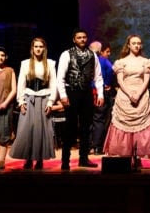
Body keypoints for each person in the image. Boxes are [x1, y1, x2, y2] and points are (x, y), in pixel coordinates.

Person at [103, 35, 150, 169]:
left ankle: (138, 157)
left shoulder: (146, 62)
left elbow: (146, 80)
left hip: (141, 95)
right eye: (134, 43)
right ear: (128, 45)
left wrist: (138, 94)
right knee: (124, 126)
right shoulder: (121, 62)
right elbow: (120, 80)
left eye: (139, 43)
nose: (136, 45)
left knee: (141, 127)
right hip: (125, 96)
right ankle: (127, 157)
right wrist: (129, 94)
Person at [55, 29, 103, 171]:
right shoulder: (66, 54)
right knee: (69, 127)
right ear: (74, 39)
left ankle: (83, 158)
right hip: (72, 92)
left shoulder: (92, 54)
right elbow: (60, 77)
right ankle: (65, 160)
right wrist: (63, 95)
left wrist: (100, 94)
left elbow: (98, 76)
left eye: (84, 37)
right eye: (79, 37)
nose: (82, 39)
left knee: (86, 127)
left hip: (87, 92)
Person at [12, 38, 60, 170]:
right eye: (36, 46)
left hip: (44, 99)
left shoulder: (50, 64)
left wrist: (50, 102)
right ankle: (27, 158)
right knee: (27, 129)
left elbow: (53, 84)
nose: (38, 49)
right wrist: (21, 101)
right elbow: (21, 82)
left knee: (41, 130)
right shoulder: (25, 63)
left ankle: (39, 159)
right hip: (29, 98)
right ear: (32, 48)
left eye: (41, 47)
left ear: (44, 48)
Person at [89, 41, 115, 155]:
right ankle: (97, 146)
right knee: (100, 119)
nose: (108, 54)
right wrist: (107, 84)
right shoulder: (104, 61)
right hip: (100, 92)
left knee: (91, 120)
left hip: (89, 92)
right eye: (107, 51)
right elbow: (111, 72)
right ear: (100, 51)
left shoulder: (88, 60)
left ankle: (90, 145)